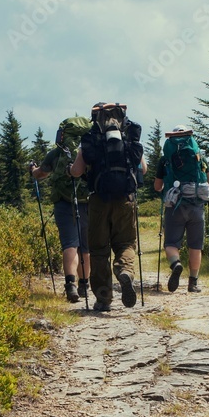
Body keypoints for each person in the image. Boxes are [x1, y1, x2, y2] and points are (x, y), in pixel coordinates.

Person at [69, 102, 147, 312]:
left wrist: (71, 168)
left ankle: (103, 299)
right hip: (125, 198)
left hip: (98, 199)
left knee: (99, 250)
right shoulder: (127, 135)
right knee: (126, 244)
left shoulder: (91, 137)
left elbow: (77, 171)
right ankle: (126, 272)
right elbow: (144, 168)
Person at [29, 116, 92, 303]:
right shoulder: (90, 151)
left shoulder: (56, 153)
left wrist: (32, 170)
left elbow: (40, 174)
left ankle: (70, 284)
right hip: (87, 202)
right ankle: (85, 285)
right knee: (86, 247)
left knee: (70, 244)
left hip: (64, 203)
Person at [154, 125, 209, 293]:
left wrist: (168, 193)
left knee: (170, 243)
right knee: (195, 246)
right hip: (197, 207)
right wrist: (199, 193)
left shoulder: (165, 159)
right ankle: (193, 283)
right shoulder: (199, 157)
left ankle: (176, 264)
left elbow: (157, 186)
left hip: (174, 207)